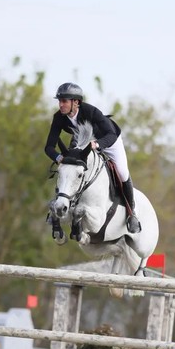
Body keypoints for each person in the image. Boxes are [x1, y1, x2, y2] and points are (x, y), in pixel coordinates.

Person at [44, 82, 141, 243]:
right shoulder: (58, 118)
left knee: (123, 172)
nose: (61, 105)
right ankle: (58, 206)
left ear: (76, 102)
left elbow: (110, 134)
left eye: (64, 101)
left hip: (108, 141)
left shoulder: (91, 112)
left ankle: (132, 214)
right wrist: (59, 158)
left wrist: (97, 145)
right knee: (69, 170)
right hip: (81, 142)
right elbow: (49, 147)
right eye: (60, 101)